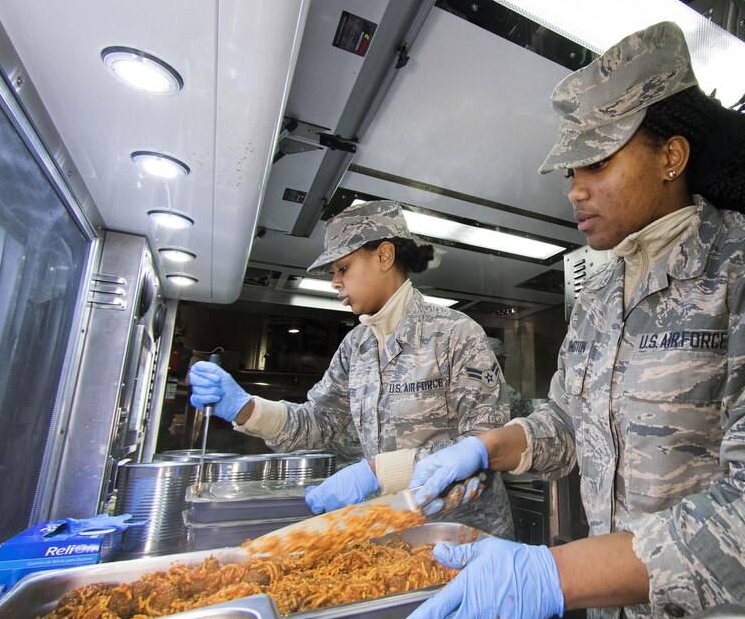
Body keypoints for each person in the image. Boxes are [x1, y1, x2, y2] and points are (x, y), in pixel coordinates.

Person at [381, 21, 745, 619]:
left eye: (597, 164)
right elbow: (568, 421)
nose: (574, 190)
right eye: (570, 172)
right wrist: (488, 447)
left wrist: (555, 575)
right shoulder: (601, 293)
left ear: (671, 155)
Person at [188, 200, 515, 538]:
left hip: (468, 534)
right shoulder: (356, 347)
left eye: (342, 268)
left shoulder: (454, 334)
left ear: (384, 256)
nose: (334, 282)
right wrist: (244, 407)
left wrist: (377, 472)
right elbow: (316, 421)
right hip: (397, 535)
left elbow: (489, 444)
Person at [485, 336, 534, 419]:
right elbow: (530, 421)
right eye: (502, 360)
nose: (504, 365)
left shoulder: (465, 388)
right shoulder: (508, 394)